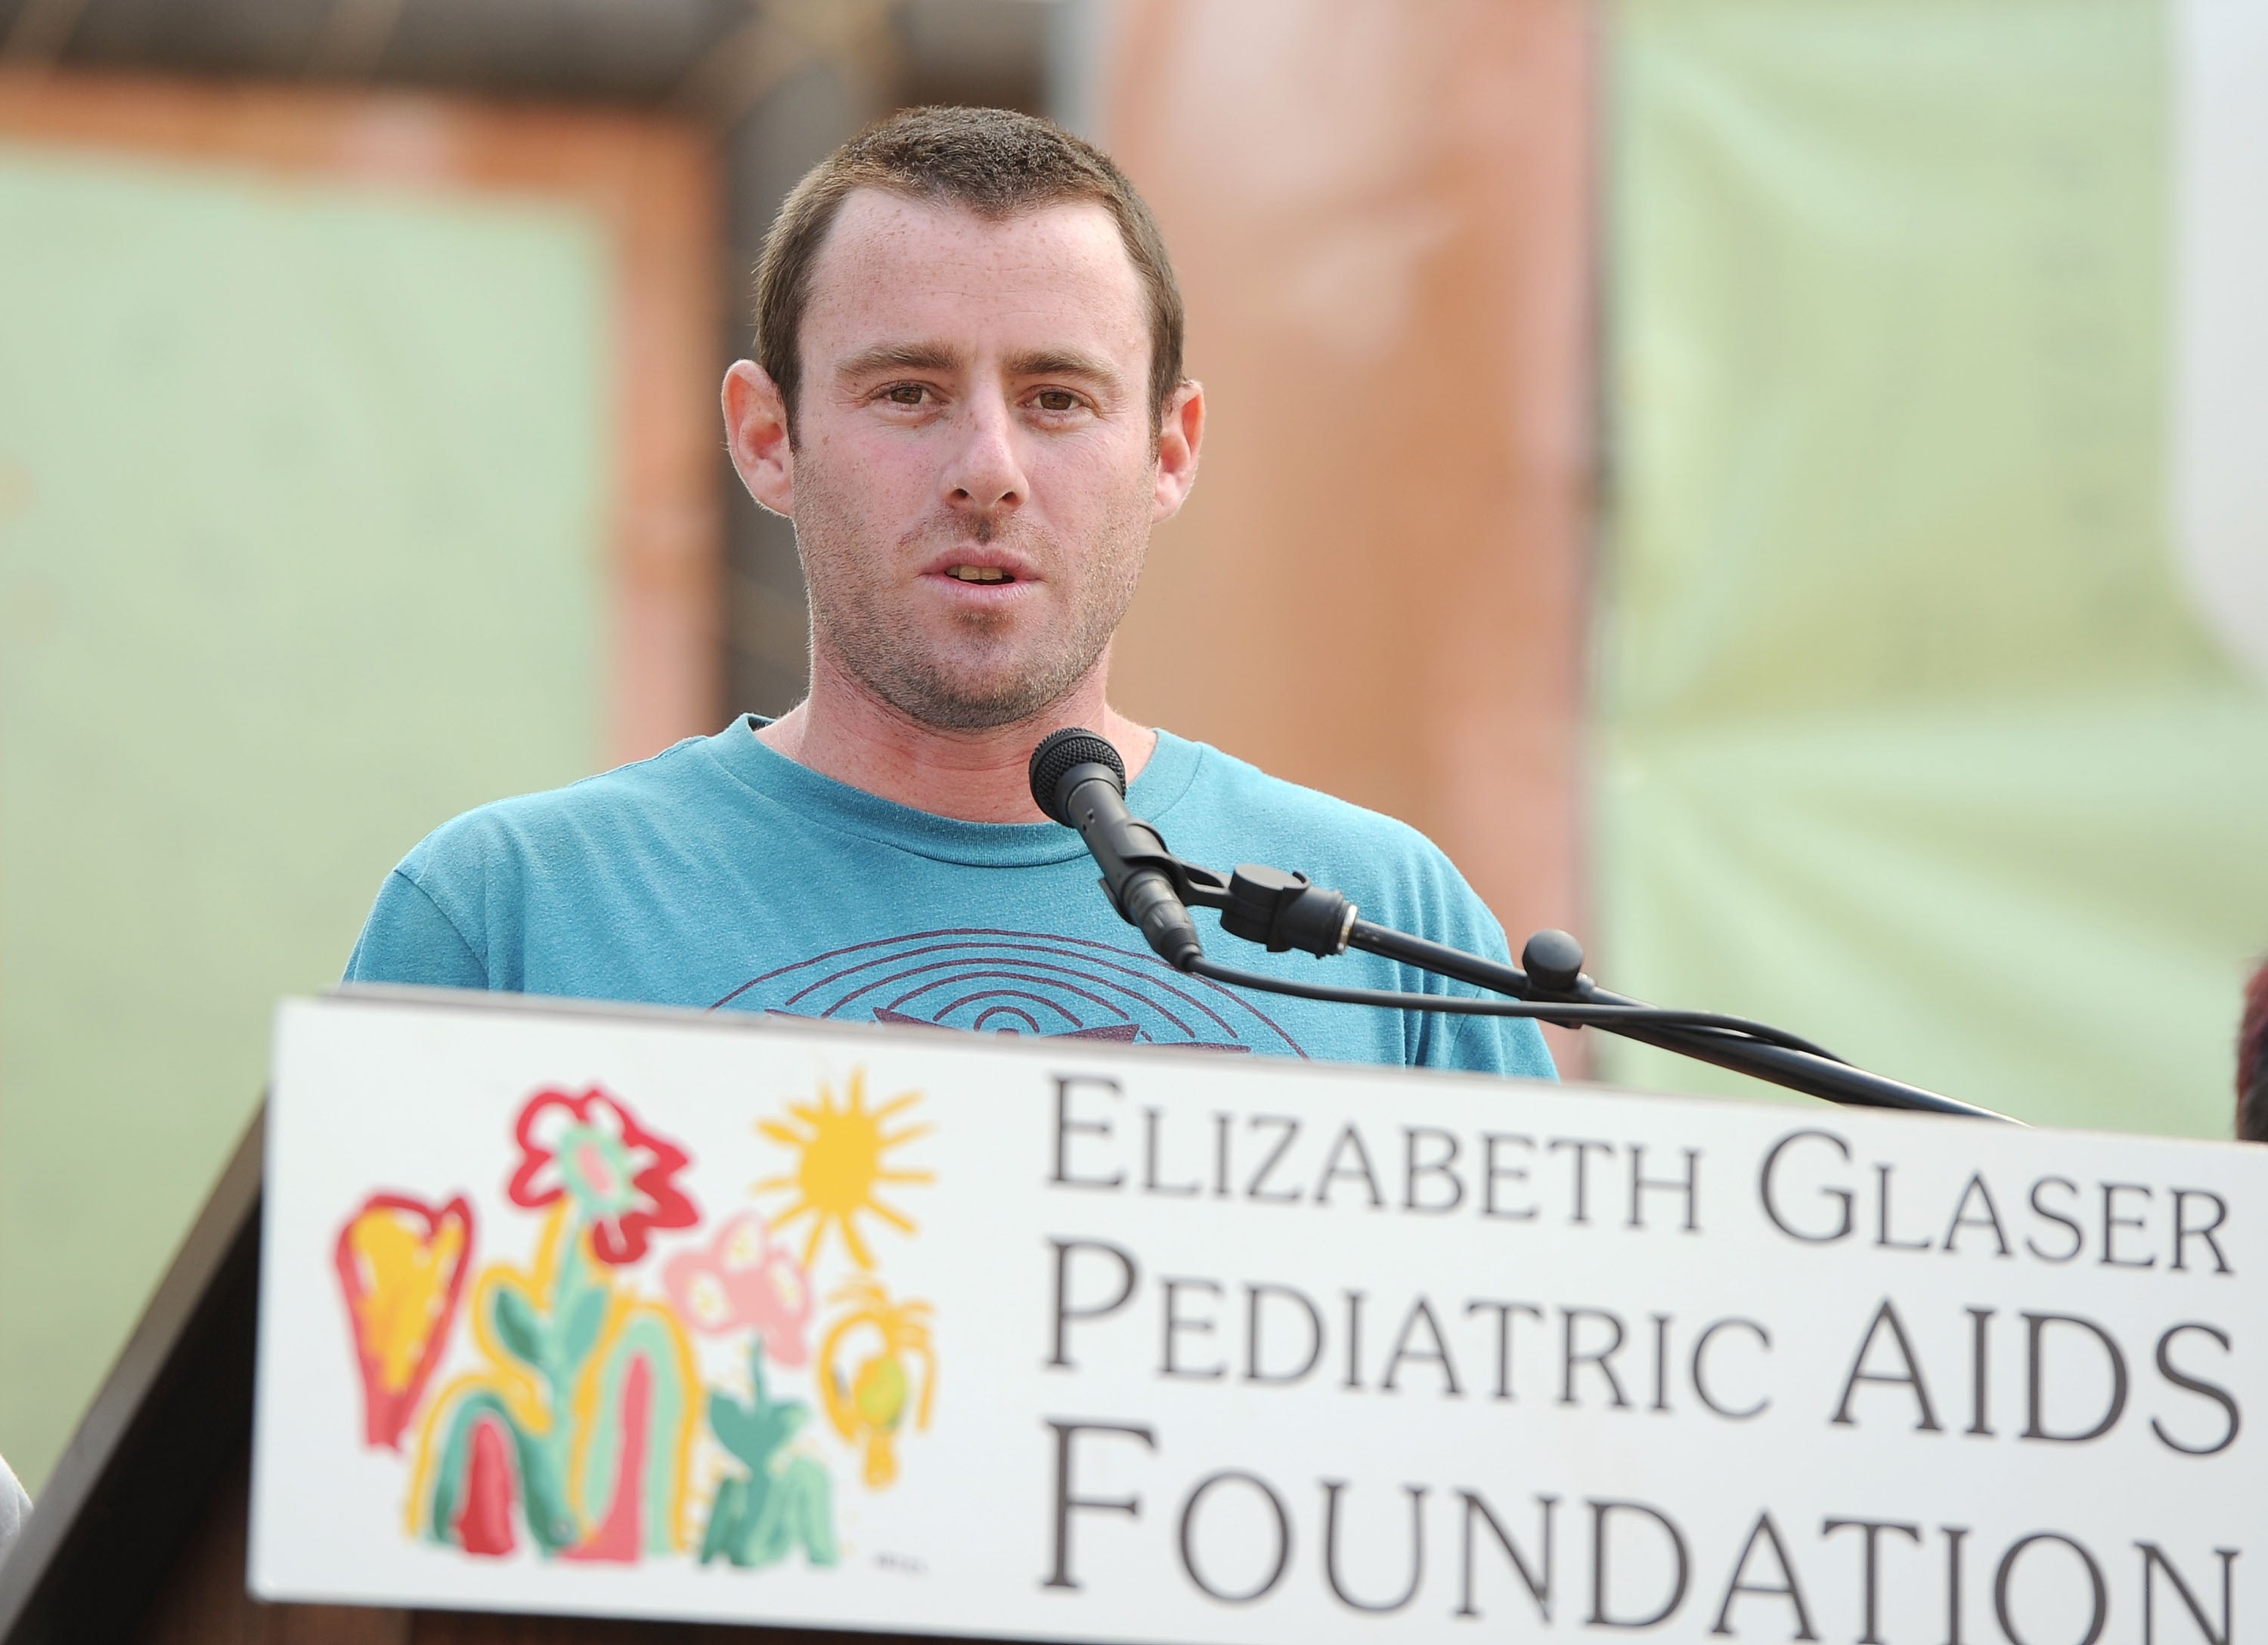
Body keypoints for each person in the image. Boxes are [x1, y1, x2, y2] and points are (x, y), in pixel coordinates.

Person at [345, 106, 1554, 1078]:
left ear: (1170, 451)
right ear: (769, 436)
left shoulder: (1389, 928)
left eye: (1058, 399)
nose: (989, 470)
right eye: (909, 392)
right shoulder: (507, 918)